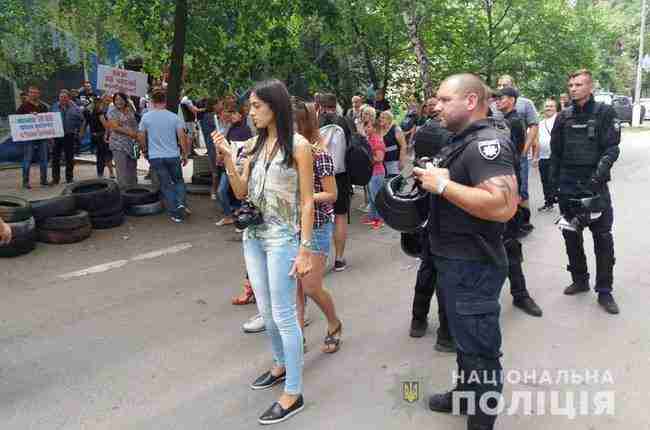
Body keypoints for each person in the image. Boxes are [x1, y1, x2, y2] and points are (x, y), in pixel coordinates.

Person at [413, 73, 518, 430]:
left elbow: (502, 205)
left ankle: (481, 422)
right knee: (463, 340)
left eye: (444, 100)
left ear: (471, 101)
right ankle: (464, 395)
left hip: (474, 264)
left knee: (480, 353)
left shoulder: (488, 143)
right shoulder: (461, 141)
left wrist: (442, 185)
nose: (436, 106)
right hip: (451, 258)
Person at [212, 79, 314, 425]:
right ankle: (280, 363)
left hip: (283, 238)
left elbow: (307, 201)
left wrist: (305, 249)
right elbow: (241, 192)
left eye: (256, 106)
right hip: (253, 236)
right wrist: (228, 157)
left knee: (285, 315)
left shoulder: (299, 146)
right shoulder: (253, 145)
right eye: (250, 106)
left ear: (275, 107)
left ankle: (294, 392)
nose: (250, 112)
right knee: (266, 311)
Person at [550, 69, 620, 315]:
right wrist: (554, 187)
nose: (573, 88)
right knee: (571, 236)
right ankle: (580, 279)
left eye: (579, 84)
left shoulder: (605, 113)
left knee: (602, 239)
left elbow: (611, 149)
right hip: (568, 187)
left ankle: (604, 290)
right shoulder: (563, 117)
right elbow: (556, 154)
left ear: (590, 87)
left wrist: (596, 178)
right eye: (570, 84)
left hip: (594, 186)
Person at [292, 98, 343, 353]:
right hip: (291, 228)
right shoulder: (284, 153)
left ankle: (334, 323)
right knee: (295, 289)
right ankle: (297, 336)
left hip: (318, 225)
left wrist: (304, 197)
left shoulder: (319, 154)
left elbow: (331, 194)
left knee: (311, 287)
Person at [408, 102, 453, 347]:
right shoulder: (453, 136)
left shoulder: (424, 130)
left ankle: (418, 320)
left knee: (427, 268)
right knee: (446, 273)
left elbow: (417, 163)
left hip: (426, 204)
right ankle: (445, 334)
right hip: (448, 206)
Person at [495, 87, 543, 317]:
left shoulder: (513, 122)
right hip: (492, 192)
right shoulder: (495, 121)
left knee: (510, 245)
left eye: (500, 98)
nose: (496, 102)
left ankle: (520, 294)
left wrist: (515, 192)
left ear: (512, 100)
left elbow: (515, 158)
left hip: (506, 191)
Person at [138, 89, 190, 223]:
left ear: (152, 101)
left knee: (166, 185)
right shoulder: (173, 117)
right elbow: (182, 136)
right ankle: (181, 204)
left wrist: (144, 150)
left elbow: (141, 135)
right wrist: (184, 154)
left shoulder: (146, 117)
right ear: (165, 101)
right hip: (173, 155)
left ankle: (175, 212)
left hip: (156, 157)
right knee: (178, 181)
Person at [497, 75, 539, 233]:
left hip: (518, 154)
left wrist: (524, 150)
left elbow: (534, 126)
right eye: (499, 85)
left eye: (505, 85)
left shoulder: (525, 104)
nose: (501, 88)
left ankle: (524, 222)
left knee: (521, 189)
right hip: (502, 156)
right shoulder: (496, 105)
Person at [316, 93, 352, 272]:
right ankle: (339, 259)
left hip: (317, 176)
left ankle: (317, 262)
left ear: (319, 105)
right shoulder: (345, 122)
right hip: (341, 175)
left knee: (316, 217)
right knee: (340, 216)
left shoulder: (314, 122)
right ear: (335, 104)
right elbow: (353, 147)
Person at [16, 85, 49, 189]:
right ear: (28, 94)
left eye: (35, 92)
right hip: (28, 137)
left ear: (39, 94)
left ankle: (43, 181)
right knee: (27, 159)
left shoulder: (43, 107)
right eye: (31, 92)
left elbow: (48, 121)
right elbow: (16, 121)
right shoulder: (23, 107)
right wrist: (29, 117)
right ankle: (25, 182)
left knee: (44, 159)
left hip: (42, 137)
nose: (33, 94)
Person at [51, 89, 85, 184]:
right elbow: (48, 120)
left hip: (69, 135)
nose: (63, 99)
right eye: (61, 97)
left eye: (65, 97)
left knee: (69, 158)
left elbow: (82, 120)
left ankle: (69, 178)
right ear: (59, 98)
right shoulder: (54, 107)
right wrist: (50, 137)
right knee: (55, 158)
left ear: (69, 98)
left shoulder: (75, 107)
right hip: (56, 136)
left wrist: (81, 132)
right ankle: (55, 179)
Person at [106, 92, 139, 188]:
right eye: (116, 100)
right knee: (122, 171)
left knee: (132, 169)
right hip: (119, 145)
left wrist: (137, 136)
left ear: (125, 100)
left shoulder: (130, 110)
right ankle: (124, 193)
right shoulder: (112, 111)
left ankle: (134, 191)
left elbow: (135, 125)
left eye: (121, 99)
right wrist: (131, 133)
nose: (119, 102)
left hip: (133, 144)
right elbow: (115, 127)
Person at [360, 117, 385, 229]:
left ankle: (380, 219)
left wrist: (365, 159)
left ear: (374, 128)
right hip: (371, 173)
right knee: (371, 197)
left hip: (377, 173)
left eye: (368, 126)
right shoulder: (369, 139)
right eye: (365, 125)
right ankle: (372, 217)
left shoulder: (377, 140)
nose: (365, 128)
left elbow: (379, 158)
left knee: (376, 197)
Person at [535, 98, 559, 212]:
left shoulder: (559, 120)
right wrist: (536, 157)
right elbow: (536, 141)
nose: (548, 108)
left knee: (553, 180)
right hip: (543, 157)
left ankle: (561, 203)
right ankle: (548, 202)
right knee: (545, 181)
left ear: (555, 108)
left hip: (556, 157)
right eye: (547, 106)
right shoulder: (540, 123)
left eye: (551, 106)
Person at [85, 94, 114, 178]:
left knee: (102, 156)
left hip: (100, 136)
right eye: (95, 102)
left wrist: (107, 133)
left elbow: (105, 125)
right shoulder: (95, 112)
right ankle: (107, 173)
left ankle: (102, 173)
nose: (97, 104)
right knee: (104, 155)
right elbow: (105, 125)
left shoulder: (98, 112)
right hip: (99, 137)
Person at [378, 110, 408, 177]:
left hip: (393, 161)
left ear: (389, 120)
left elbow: (403, 146)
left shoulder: (396, 129)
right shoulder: (379, 129)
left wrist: (401, 161)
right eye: (380, 117)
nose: (380, 119)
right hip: (382, 161)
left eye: (383, 118)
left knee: (392, 181)